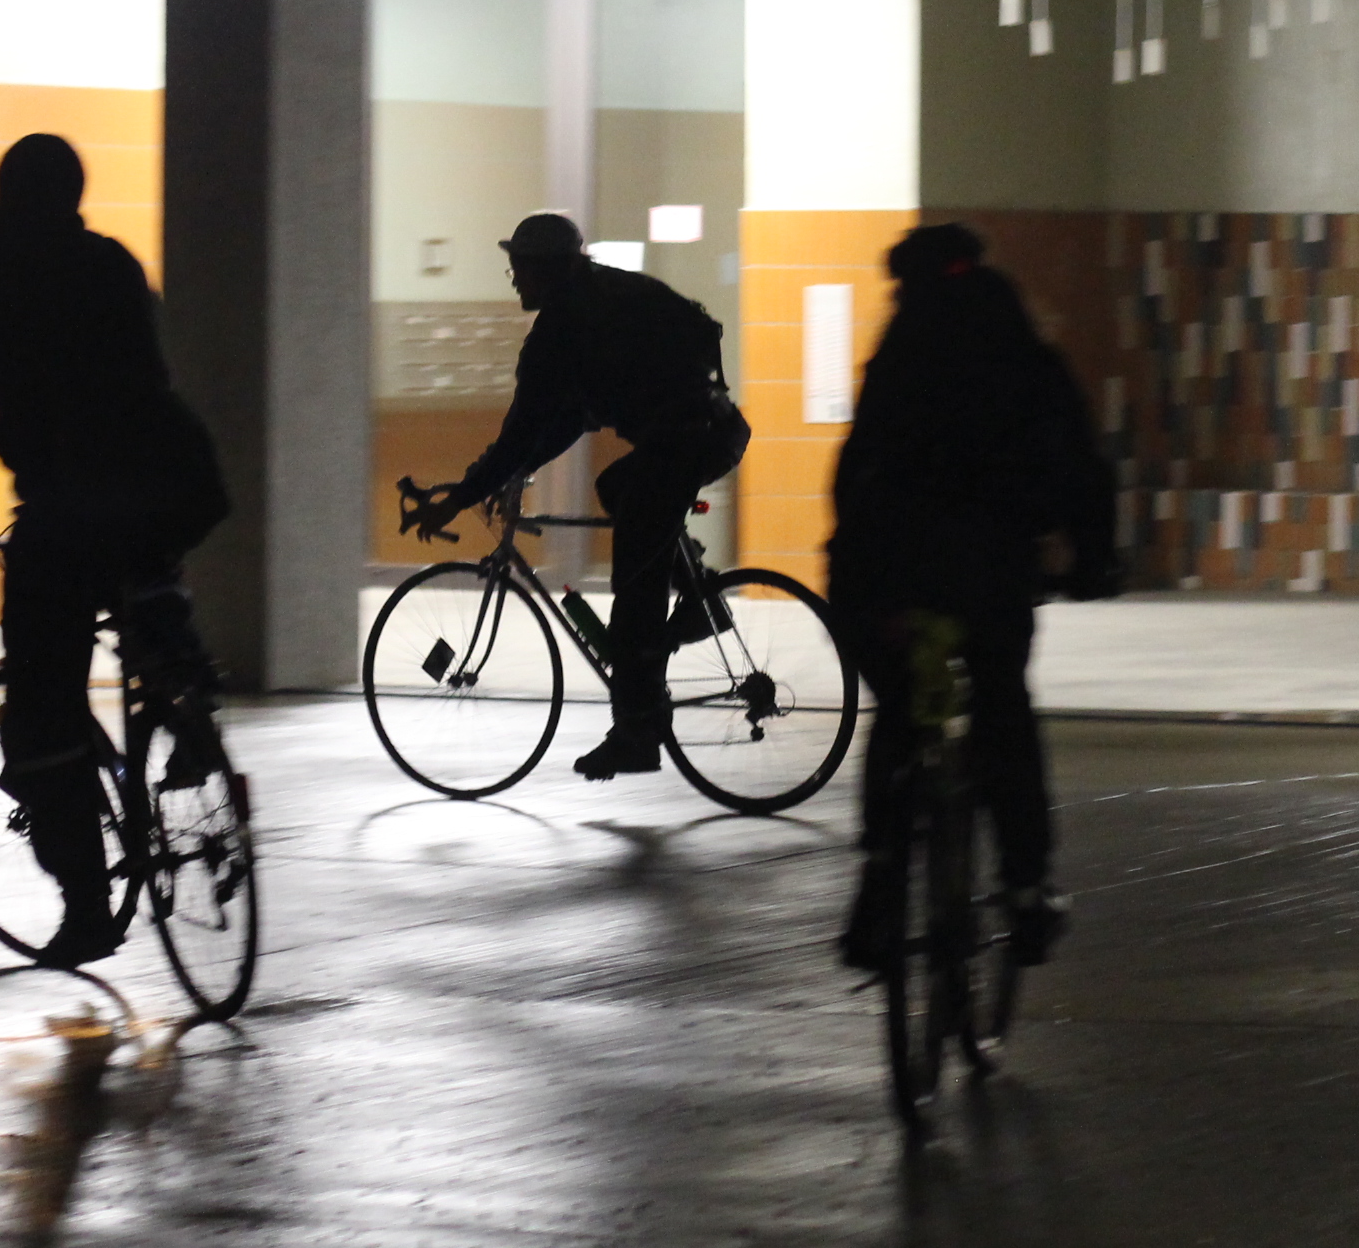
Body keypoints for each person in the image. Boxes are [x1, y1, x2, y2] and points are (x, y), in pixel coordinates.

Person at [0, 133, 229, 969]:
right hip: (162, 489)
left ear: (4, 194)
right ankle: (181, 694)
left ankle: (88, 907)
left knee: (42, 711)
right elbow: (151, 376)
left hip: (63, 511)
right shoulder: (112, 264)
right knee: (148, 586)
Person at [829, 224, 1121, 973]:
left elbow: (855, 470)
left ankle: (879, 885)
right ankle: (1025, 889)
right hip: (987, 566)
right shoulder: (1019, 347)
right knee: (1000, 707)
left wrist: (856, 562)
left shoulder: (898, 352)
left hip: (886, 567)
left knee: (901, 711)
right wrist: (1092, 560)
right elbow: (1079, 463)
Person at [406, 210, 750, 779]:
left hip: (686, 443)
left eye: (519, 268)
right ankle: (698, 597)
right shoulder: (603, 295)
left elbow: (524, 428)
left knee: (633, 590)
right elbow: (568, 419)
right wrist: (510, 471)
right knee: (615, 487)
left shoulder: (564, 328)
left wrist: (463, 494)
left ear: (545, 268)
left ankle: (636, 736)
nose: (514, 280)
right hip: (710, 431)